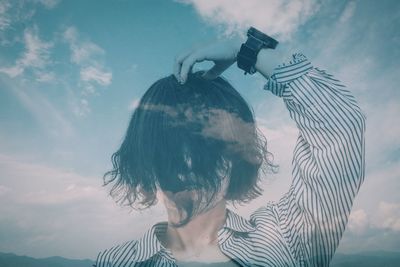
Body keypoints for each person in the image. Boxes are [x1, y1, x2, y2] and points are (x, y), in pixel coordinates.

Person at [94, 27, 366, 267]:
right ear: (147, 156)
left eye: (206, 143)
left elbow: (341, 126)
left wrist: (245, 50)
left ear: (236, 153)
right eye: (171, 146)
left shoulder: (287, 239)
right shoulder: (118, 262)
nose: (188, 161)